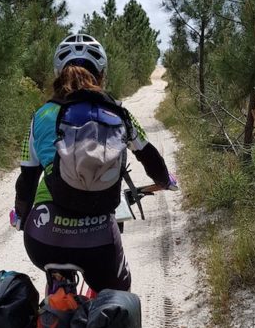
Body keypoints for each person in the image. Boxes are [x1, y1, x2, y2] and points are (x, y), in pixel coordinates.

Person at [10, 33, 177, 293]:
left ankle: (52, 315)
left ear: (58, 73)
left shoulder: (40, 116)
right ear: (101, 75)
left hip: (43, 239)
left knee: (53, 280)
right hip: (99, 244)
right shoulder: (119, 113)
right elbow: (149, 155)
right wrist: (165, 180)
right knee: (118, 296)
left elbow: (27, 180)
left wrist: (20, 215)